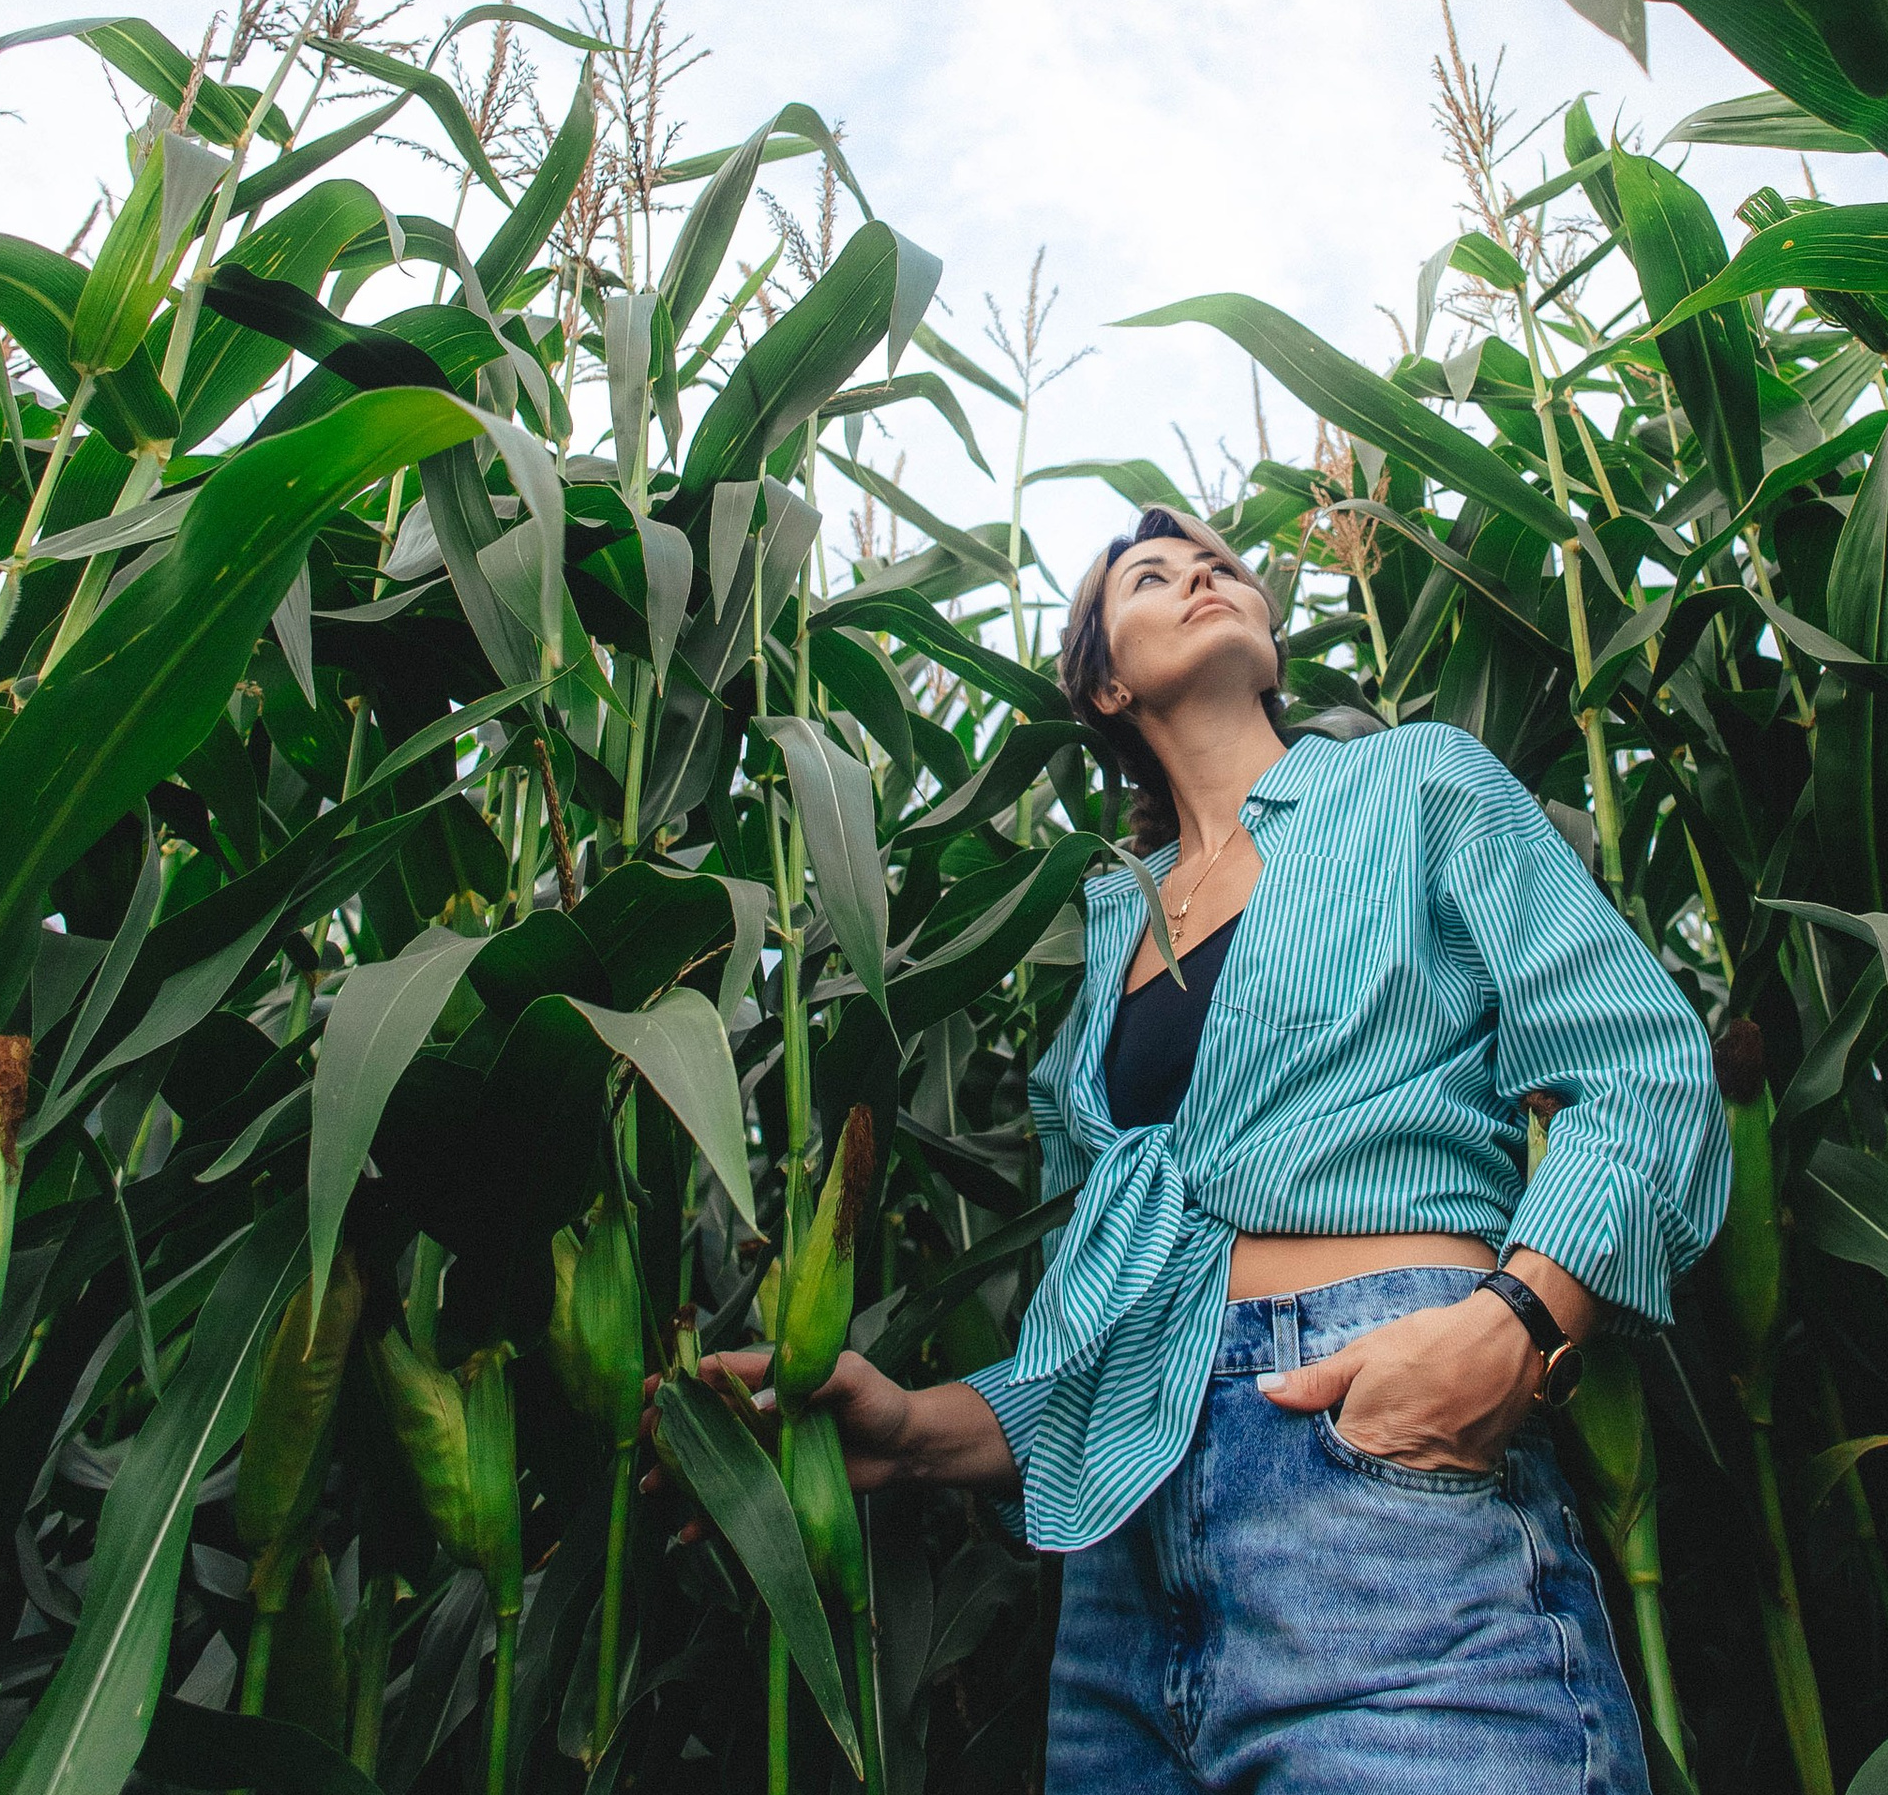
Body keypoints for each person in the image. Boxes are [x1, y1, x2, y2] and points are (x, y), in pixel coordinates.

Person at [700, 504, 1728, 1790]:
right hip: (1119, 1583)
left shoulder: (1415, 784)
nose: (1200, 575)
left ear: (1271, 640)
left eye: (1222, 567)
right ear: (1104, 683)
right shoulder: (1104, 934)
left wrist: (1515, 1326)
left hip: (1376, 1466)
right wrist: (912, 1431)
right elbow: (1111, 1327)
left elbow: (1639, 1066)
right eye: (1151, 576)